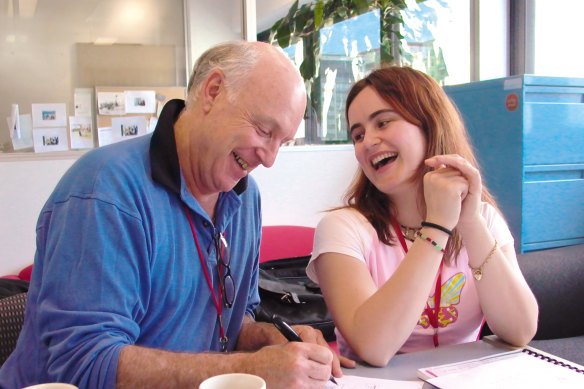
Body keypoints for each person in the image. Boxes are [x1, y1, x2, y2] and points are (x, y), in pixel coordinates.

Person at [0, 41, 352, 389]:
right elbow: (84, 364)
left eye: (284, 141)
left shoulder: (245, 198)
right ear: (212, 92)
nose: (270, 159)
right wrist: (252, 368)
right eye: (264, 130)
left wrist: (276, 340)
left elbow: (234, 324)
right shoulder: (104, 192)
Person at [306, 66, 539, 367]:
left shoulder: (483, 218)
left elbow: (520, 331)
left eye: (383, 122)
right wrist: (437, 226)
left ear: (429, 124)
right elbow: (374, 347)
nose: (368, 142)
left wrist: (469, 222)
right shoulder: (342, 228)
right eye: (358, 134)